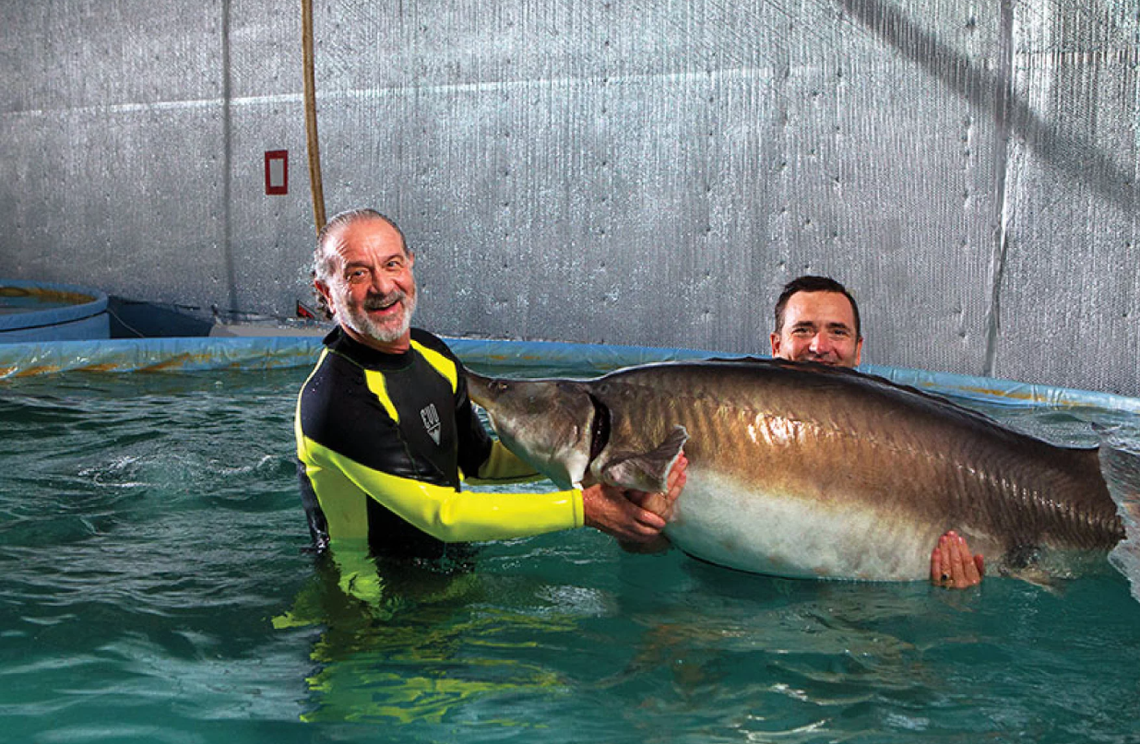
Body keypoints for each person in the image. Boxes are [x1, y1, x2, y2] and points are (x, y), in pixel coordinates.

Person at [294, 208, 687, 571]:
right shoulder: (334, 401)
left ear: (410, 265)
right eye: (357, 274)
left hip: (453, 570)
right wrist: (582, 509)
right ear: (326, 291)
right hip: (367, 600)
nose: (383, 286)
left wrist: (595, 451)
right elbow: (441, 516)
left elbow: (480, 463)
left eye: (391, 264)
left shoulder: (431, 354)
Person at [770, 275, 984, 589]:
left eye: (837, 332)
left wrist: (952, 600)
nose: (819, 346)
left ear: (857, 350)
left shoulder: (917, 442)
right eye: (803, 330)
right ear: (776, 345)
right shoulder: (731, 421)